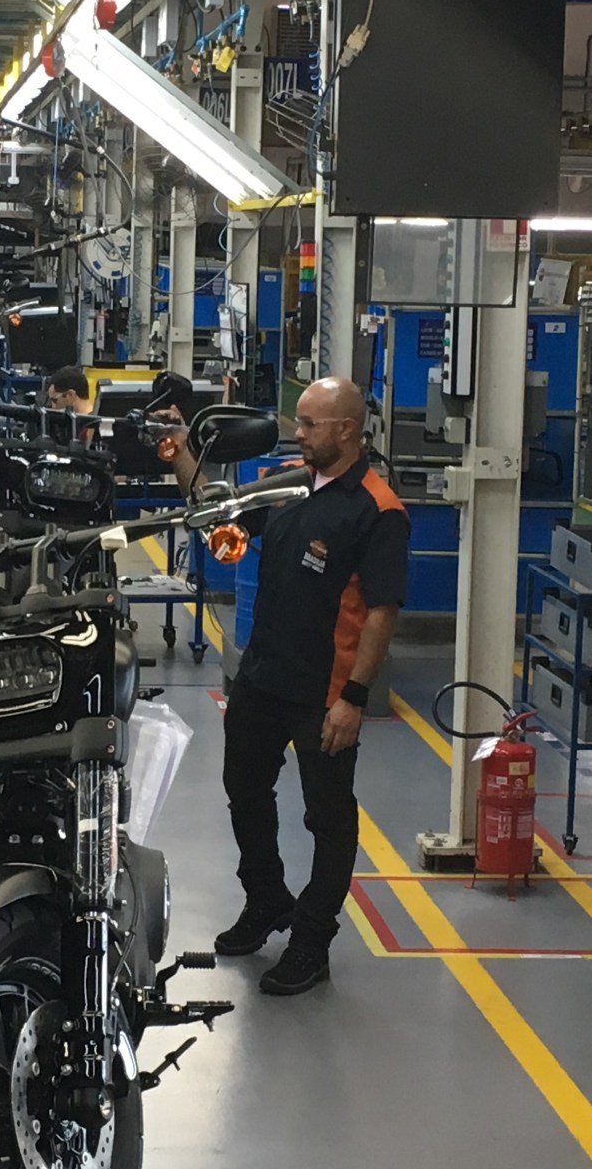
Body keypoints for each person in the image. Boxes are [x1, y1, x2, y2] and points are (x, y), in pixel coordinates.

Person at [165, 378, 410, 996]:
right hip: (263, 677)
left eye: (308, 424)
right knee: (244, 791)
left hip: (325, 692)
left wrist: (354, 699)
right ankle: (266, 898)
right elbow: (213, 509)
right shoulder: (287, 484)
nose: (296, 434)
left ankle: (312, 940)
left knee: (327, 817)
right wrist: (178, 449)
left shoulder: (378, 510)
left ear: (347, 430)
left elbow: (381, 613)